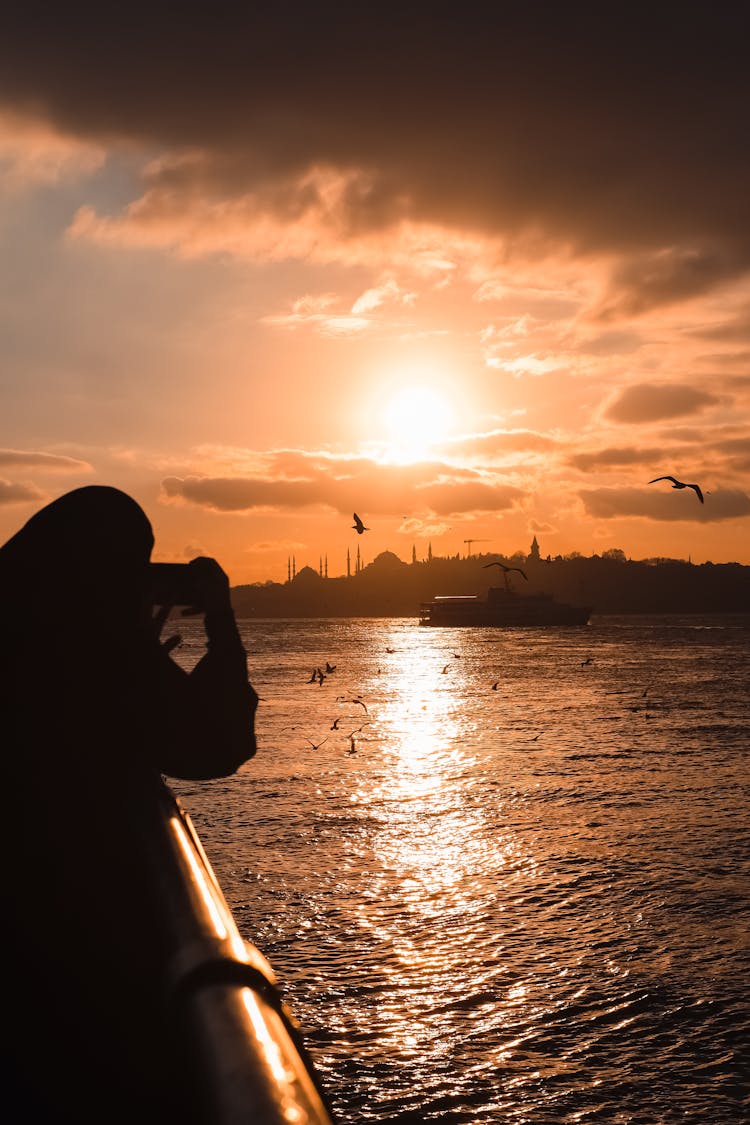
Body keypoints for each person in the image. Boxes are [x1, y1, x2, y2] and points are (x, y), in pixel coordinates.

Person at [0, 486, 258, 1122]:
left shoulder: (28, 626)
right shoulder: (100, 648)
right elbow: (214, 743)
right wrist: (218, 621)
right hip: (76, 962)